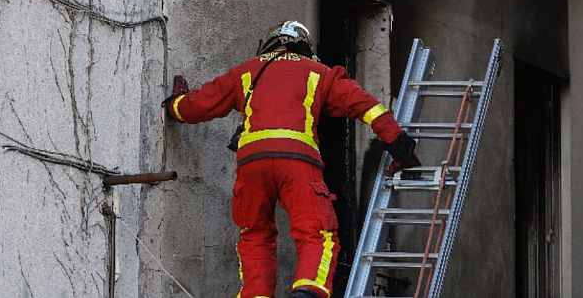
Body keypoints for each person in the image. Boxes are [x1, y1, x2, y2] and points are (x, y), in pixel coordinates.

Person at [162, 20, 420, 298]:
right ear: (304, 46)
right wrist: (401, 148)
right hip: (298, 161)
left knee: (255, 235)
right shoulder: (319, 73)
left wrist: (176, 103)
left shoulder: (245, 72)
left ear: (268, 44)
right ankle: (308, 291)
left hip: (252, 164)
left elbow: (196, 106)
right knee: (316, 233)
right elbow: (367, 107)